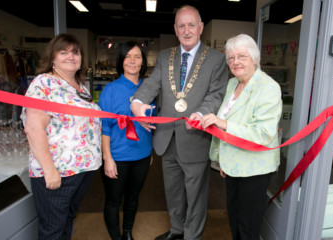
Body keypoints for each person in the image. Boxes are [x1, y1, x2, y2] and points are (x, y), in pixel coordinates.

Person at [131, 5, 228, 240]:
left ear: (201, 27)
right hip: (166, 137)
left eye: (191, 25)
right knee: (172, 191)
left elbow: (216, 94)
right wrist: (137, 101)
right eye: (181, 26)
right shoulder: (165, 56)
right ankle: (176, 231)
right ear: (175, 29)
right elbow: (151, 84)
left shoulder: (217, 59)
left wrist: (201, 113)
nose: (186, 31)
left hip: (195, 136)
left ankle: (192, 235)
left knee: (195, 194)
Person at [200, 34, 282, 240]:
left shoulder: (268, 87)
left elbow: (263, 133)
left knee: (248, 227)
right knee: (235, 219)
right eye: (231, 57)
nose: (235, 62)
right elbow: (223, 123)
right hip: (233, 165)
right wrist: (222, 160)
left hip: (255, 168)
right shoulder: (232, 84)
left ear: (255, 58)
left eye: (242, 56)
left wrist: (224, 124)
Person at [20, 34, 102, 240]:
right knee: (53, 229)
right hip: (58, 173)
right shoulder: (44, 83)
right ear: (53, 58)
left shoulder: (79, 87)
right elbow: (33, 128)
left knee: (66, 221)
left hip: (81, 170)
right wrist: (50, 171)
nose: (71, 56)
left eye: (75, 52)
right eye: (63, 52)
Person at [98, 41, 155, 240]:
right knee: (114, 201)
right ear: (121, 61)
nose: (132, 61)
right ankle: (116, 237)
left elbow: (151, 123)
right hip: (117, 156)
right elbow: (104, 127)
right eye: (128, 56)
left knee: (132, 198)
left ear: (143, 62)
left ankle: (127, 233)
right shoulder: (111, 90)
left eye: (137, 56)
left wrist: (150, 152)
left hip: (142, 155)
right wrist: (108, 158)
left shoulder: (149, 89)